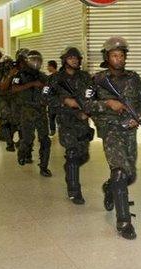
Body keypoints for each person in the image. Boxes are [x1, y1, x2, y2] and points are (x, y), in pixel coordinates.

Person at [85, 36, 141, 239]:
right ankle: (124, 221)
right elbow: (87, 105)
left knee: (131, 175)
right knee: (119, 172)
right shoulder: (97, 79)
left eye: (121, 55)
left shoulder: (133, 77)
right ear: (107, 57)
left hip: (129, 129)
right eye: (114, 55)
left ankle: (108, 187)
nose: (119, 59)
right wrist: (107, 104)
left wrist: (137, 116)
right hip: (110, 129)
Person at [47, 47, 94, 205]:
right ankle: (74, 191)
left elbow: (94, 95)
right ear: (64, 60)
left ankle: (70, 168)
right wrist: (64, 101)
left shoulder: (86, 77)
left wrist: (88, 111)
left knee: (84, 155)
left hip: (83, 121)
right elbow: (45, 98)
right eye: (71, 58)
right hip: (66, 120)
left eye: (76, 58)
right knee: (73, 153)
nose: (74, 60)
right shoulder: (55, 78)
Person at [9, 49, 52, 177]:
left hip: (41, 110)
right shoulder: (20, 75)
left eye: (38, 60)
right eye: (33, 60)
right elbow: (14, 89)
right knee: (28, 139)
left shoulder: (43, 76)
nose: (36, 63)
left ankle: (44, 166)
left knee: (45, 139)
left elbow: (50, 90)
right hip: (26, 109)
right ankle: (22, 153)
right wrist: (31, 84)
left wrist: (46, 91)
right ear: (28, 61)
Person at [0, 55, 18, 152]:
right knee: (5, 120)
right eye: (5, 63)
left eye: (9, 62)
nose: (7, 65)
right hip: (3, 98)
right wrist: (7, 78)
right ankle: (9, 143)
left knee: (15, 121)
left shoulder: (17, 72)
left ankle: (15, 141)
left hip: (15, 99)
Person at [46, 60, 59, 136]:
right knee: (51, 117)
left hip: (57, 101)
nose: (47, 68)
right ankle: (52, 130)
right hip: (52, 101)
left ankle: (55, 130)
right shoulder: (49, 77)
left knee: (56, 117)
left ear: (51, 66)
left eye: (48, 66)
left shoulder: (58, 76)